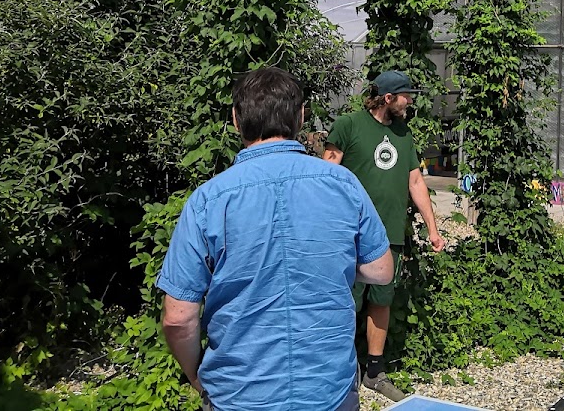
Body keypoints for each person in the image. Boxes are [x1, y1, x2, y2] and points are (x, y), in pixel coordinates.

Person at [158, 67, 394, 411]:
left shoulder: (208, 200)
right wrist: (329, 262)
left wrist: (196, 376)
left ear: (236, 119)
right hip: (327, 391)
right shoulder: (343, 184)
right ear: (301, 116)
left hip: (238, 395)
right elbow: (381, 271)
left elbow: (178, 318)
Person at [323, 71, 447, 402]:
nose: (411, 102)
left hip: (389, 234)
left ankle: (374, 372)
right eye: (406, 96)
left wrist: (433, 229)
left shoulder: (404, 134)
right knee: (345, 301)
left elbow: (415, 182)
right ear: (388, 98)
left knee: (381, 300)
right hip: (349, 236)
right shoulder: (349, 126)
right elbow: (327, 174)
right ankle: (339, 370)